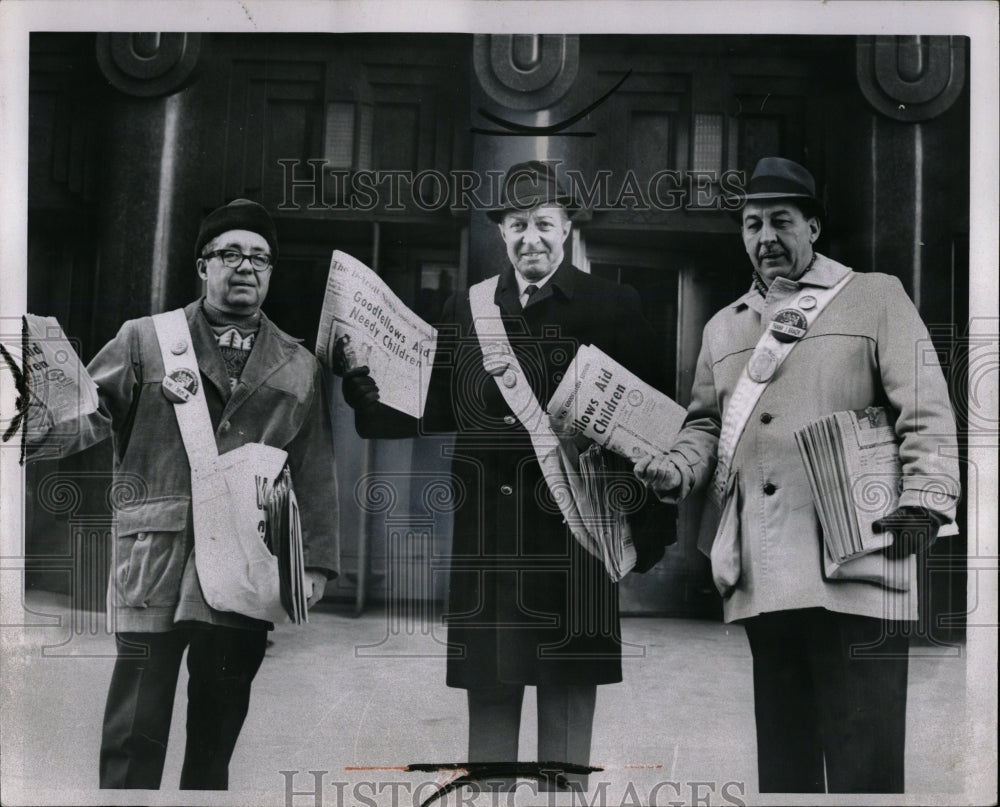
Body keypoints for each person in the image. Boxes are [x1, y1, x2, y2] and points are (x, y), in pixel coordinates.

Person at [336, 161, 673, 791]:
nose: (531, 239)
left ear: (568, 228)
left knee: (567, 711)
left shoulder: (613, 305)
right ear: (501, 232)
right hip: (489, 540)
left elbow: (657, 425)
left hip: (576, 539)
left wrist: (650, 528)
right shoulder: (468, 309)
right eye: (517, 226)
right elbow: (427, 406)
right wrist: (364, 390)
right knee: (490, 706)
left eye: (544, 224)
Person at [635, 157, 961, 793]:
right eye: (752, 224)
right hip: (767, 570)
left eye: (781, 221)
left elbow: (925, 409)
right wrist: (677, 469)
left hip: (861, 558)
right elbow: (706, 425)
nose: (765, 238)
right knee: (784, 763)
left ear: (813, 227)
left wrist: (924, 498)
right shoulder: (723, 326)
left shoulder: (873, 296)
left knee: (863, 764)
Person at [29, 199, 339, 790]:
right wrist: (28, 415)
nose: (245, 267)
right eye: (230, 254)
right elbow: (86, 414)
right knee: (134, 729)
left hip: (249, 563)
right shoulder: (146, 339)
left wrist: (317, 561)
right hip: (158, 555)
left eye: (259, 258)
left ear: (271, 272)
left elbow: (315, 466)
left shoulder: (299, 364)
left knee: (217, 732)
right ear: (203, 266)